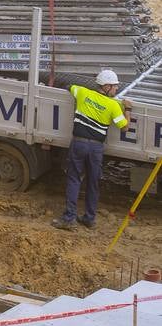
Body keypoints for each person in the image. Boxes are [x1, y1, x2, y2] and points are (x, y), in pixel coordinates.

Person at [52, 69, 131, 230]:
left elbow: (68, 85)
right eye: (115, 86)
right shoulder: (113, 105)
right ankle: (89, 218)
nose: (116, 89)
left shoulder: (82, 93)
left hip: (79, 144)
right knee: (93, 183)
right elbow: (124, 128)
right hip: (96, 148)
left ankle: (69, 218)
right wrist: (128, 109)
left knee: (74, 179)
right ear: (107, 86)